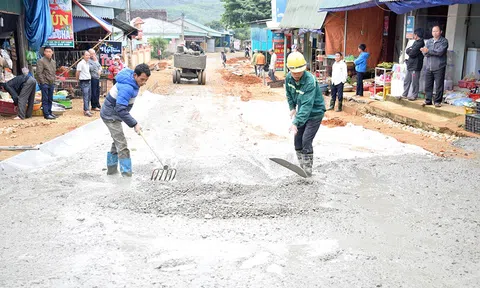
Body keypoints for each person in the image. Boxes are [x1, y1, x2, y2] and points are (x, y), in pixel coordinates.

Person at [101, 64, 150, 177]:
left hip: (114, 114)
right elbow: (121, 109)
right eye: (142, 79)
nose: (143, 83)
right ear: (135, 75)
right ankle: (127, 175)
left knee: (117, 141)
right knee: (122, 144)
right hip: (111, 116)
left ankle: (112, 171)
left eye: (145, 80)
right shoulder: (127, 88)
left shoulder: (132, 81)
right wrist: (134, 124)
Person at [285, 52, 326, 177]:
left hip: (315, 113)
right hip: (303, 111)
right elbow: (289, 93)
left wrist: (296, 122)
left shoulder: (310, 81)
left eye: (299, 71)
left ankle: (308, 171)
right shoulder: (288, 78)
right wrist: (292, 107)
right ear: (289, 69)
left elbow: (308, 105)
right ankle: (301, 166)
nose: (297, 74)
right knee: (297, 141)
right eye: (294, 71)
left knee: (306, 140)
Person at [421, 25, 449, 108]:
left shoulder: (444, 41)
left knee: (439, 85)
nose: (435, 33)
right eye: (433, 31)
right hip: (428, 66)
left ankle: (437, 101)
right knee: (428, 85)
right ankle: (428, 100)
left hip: (439, 66)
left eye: (436, 31)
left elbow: (440, 52)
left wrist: (428, 51)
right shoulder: (429, 41)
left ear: (441, 32)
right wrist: (426, 51)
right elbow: (424, 53)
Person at [403, 28, 425, 101]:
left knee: (414, 81)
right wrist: (410, 50)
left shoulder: (420, 43)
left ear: (416, 35)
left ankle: (414, 95)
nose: (413, 36)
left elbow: (412, 53)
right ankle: (404, 94)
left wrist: (410, 50)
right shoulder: (415, 42)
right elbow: (408, 50)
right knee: (407, 80)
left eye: (414, 34)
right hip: (410, 64)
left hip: (416, 65)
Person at [36, 46, 57, 120]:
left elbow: (53, 72)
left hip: (51, 82)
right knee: (45, 99)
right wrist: (43, 82)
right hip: (45, 83)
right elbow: (39, 73)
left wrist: (54, 80)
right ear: (44, 52)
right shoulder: (41, 61)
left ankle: (50, 112)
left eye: (49, 51)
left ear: (52, 52)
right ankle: (46, 114)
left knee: (50, 98)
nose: (48, 53)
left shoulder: (53, 62)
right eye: (46, 51)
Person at [76, 50, 92, 117]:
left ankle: (87, 109)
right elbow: (77, 72)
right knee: (85, 96)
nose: (88, 56)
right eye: (86, 55)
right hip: (84, 81)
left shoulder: (87, 63)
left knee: (88, 96)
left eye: (88, 55)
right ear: (83, 56)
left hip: (88, 81)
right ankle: (86, 110)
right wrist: (77, 80)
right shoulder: (81, 63)